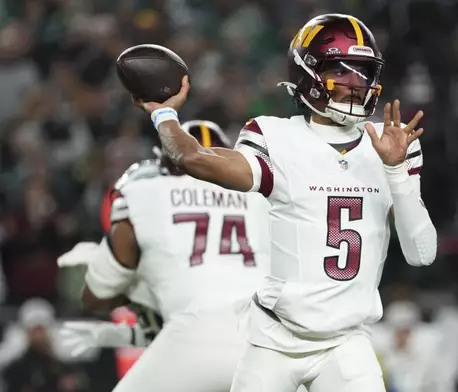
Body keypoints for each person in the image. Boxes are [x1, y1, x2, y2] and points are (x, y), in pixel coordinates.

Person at [135, 14, 438, 391]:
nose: (355, 84)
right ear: (308, 74)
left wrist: (394, 171)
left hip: (346, 341)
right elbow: (194, 158)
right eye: (341, 71)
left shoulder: (390, 142)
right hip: (274, 340)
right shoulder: (274, 136)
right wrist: (164, 114)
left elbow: (421, 252)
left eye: (363, 72)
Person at [65, 120, 270, 392]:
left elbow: (96, 295)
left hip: (194, 336)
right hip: (266, 339)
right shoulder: (263, 197)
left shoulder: (146, 191)